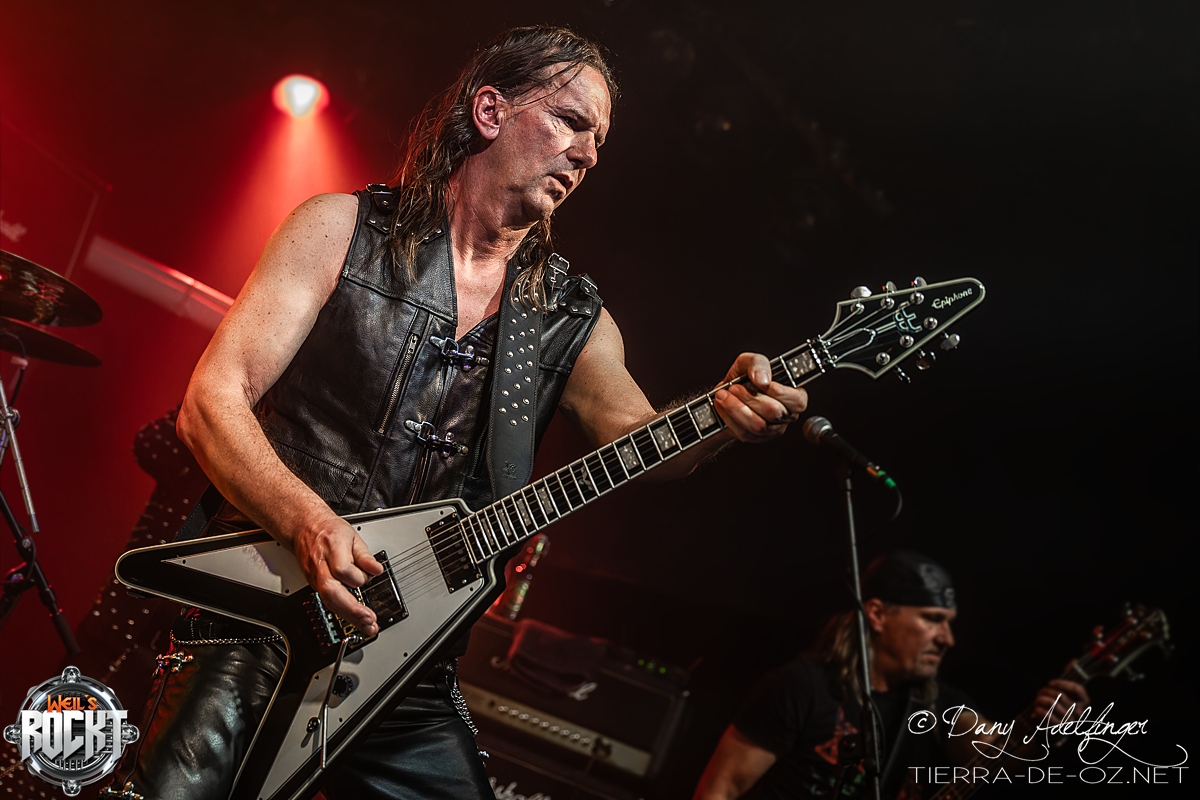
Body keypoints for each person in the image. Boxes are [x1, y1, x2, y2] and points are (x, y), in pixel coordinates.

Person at [102, 25, 808, 800]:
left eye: (599, 140)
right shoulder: (340, 230)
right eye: (571, 121)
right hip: (261, 614)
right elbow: (211, 402)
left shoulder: (571, 317)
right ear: (490, 110)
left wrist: (721, 415)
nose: (588, 154)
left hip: (410, 668)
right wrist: (307, 522)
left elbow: (643, 444)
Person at [693, 551, 1091, 799]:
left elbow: (998, 755)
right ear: (878, 615)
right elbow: (719, 790)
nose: (947, 639)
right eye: (932, 620)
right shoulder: (801, 687)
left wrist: (1046, 726)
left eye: (949, 623)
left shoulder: (938, 707)